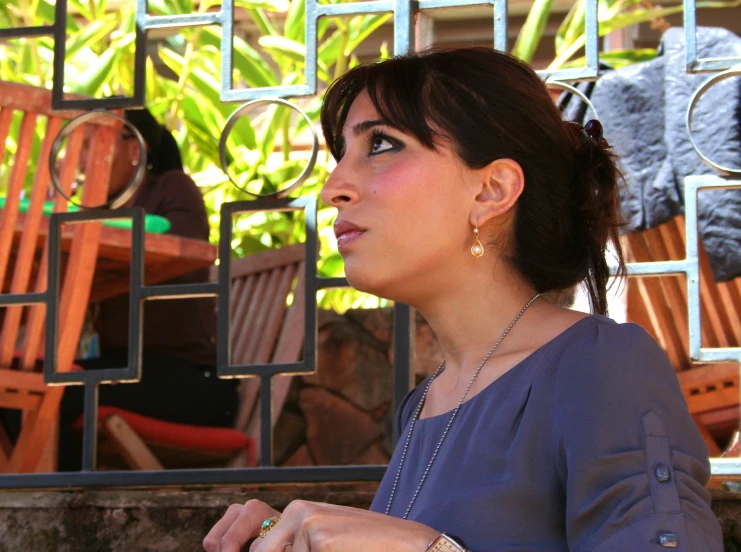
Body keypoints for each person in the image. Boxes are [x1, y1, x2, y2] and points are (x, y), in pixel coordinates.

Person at [203, 48, 724, 551]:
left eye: (380, 144)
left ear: (491, 190)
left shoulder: (601, 365)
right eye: (343, 154)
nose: (333, 187)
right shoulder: (426, 402)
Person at [57, 108, 239, 471]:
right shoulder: (96, 209)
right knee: (28, 390)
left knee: (54, 396)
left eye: (92, 144)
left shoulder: (171, 188)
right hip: (124, 370)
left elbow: (184, 252)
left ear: (134, 150)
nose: (80, 159)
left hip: (189, 380)